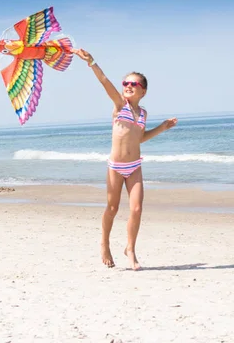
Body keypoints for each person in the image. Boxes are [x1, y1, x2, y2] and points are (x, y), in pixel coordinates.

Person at [72, 48, 177, 270]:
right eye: (126, 83)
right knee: (112, 208)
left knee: (137, 209)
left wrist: (162, 127)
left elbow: (140, 139)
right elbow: (104, 81)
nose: (128, 86)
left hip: (135, 166)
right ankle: (105, 243)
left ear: (143, 91)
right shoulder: (121, 106)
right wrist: (91, 61)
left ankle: (130, 249)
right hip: (116, 167)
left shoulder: (143, 114)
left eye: (134, 84)